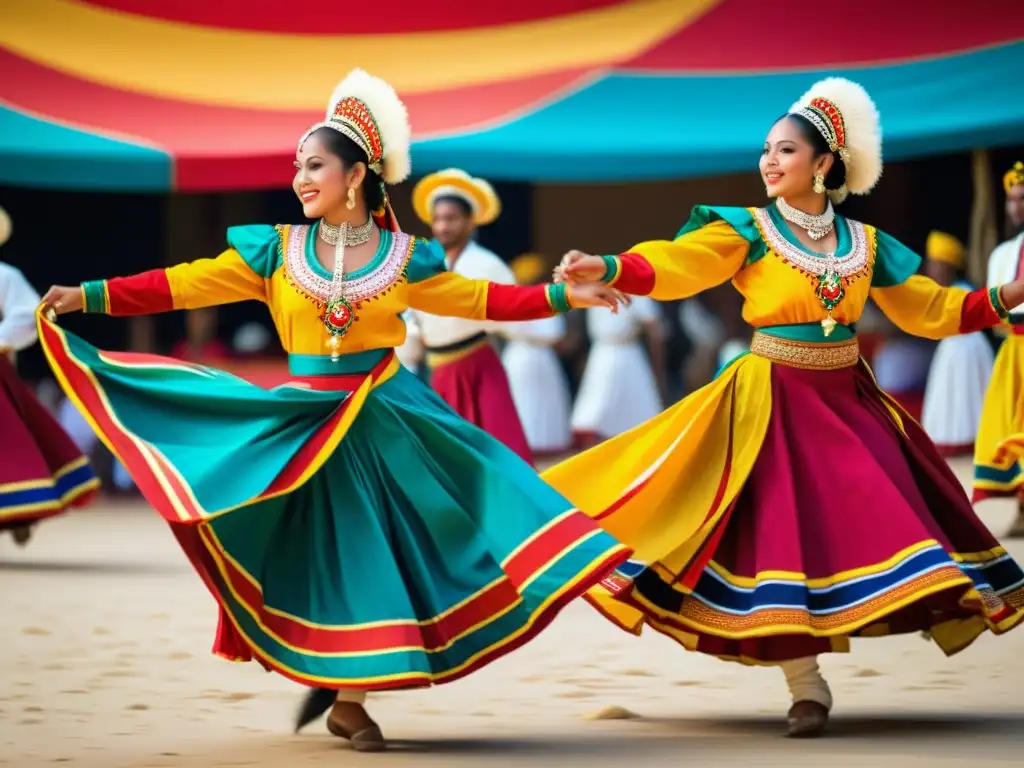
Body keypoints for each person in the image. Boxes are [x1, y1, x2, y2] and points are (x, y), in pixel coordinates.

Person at [38, 69, 630, 752]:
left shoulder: (406, 258)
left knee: (381, 550)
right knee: (316, 552)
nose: (299, 177)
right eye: (297, 166)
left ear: (355, 176)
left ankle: (349, 701)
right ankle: (338, 683)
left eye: (314, 164)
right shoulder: (276, 252)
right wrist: (88, 295)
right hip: (304, 424)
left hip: (382, 419)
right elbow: (182, 284)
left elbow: (481, 301)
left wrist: (560, 298)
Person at [544, 78, 1024, 738]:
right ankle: (807, 686)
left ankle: (863, 644)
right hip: (768, 405)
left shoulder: (865, 244)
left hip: (847, 402)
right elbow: (678, 264)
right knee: (777, 539)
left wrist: (1006, 295)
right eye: (766, 151)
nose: (770, 162)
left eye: (786, 151)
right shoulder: (751, 230)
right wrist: (609, 265)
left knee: (881, 522)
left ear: (824, 163)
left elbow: (931, 309)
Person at [407, 168, 533, 463]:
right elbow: (411, 320)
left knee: (499, 454)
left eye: (450, 218)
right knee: (446, 461)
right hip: (436, 372)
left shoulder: (488, 265)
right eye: (437, 219)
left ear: (469, 222)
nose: (442, 226)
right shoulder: (425, 265)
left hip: (478, 367)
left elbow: (515, 316)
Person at [0, 207, 98, 545]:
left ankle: (19, 511)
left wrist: (0, 339)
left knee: (11, 448)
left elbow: (27, 314)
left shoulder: (4, 276)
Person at [973, 161, 1024, 532]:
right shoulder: (1003, 253)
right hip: (1013, 351)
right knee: (1009, 430)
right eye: (1012, 200)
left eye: (1022, 198)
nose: (1017, 206)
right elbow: (994, 307)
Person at [920, 231, 994, 456]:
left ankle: (963, 443)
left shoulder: (961, 291)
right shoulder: (947, 291)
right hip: (954, 350)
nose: (932, 271)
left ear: (948, 267)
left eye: (936, 265)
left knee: (965, 398)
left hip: (966, 352)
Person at [570, 293, 665, 448]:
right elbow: (653, 325)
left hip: (613, 351)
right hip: (616, 352)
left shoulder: (600, 282)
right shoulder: (632, 289)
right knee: (597, 410)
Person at [501, 254, 573, 458]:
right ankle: (534, 444)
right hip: (534, 357)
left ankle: (528, 445)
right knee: (531, 401)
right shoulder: (545, 299)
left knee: (529, 401)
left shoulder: (513, 299)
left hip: (522, 356)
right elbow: (555, 334)